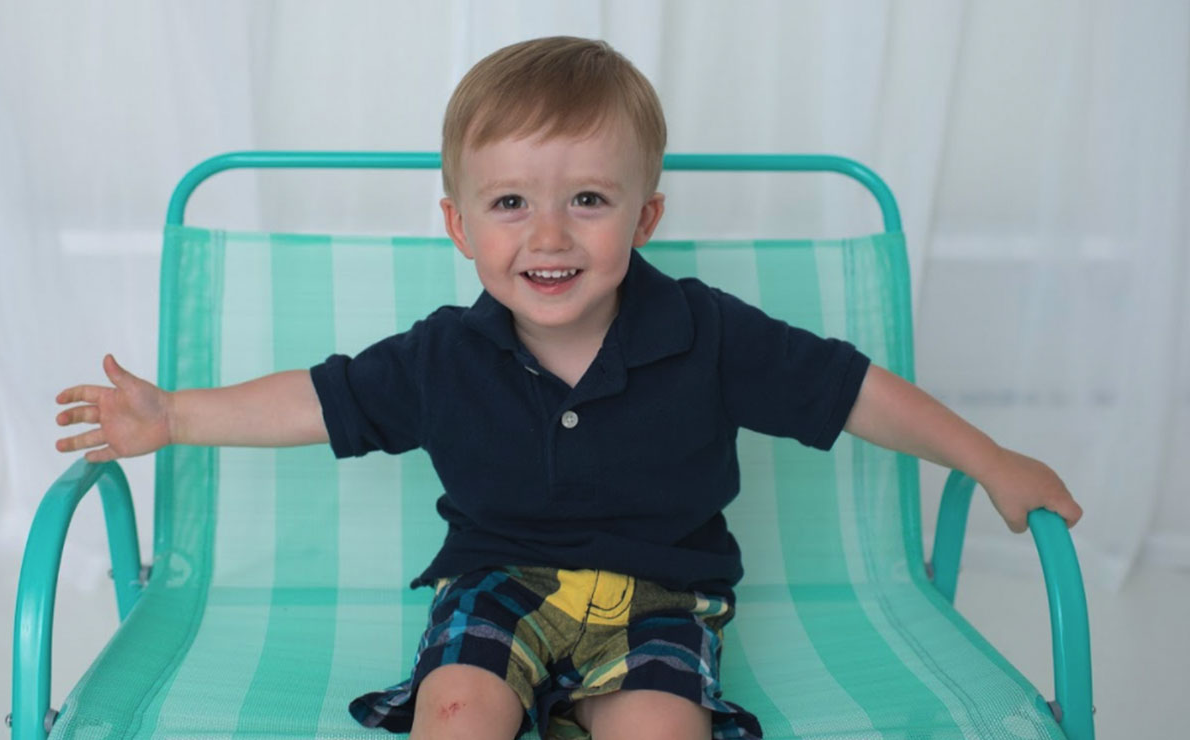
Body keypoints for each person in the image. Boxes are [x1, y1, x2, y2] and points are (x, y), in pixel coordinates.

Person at [55, 36, 1083, 740]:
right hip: (500, 582)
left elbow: (853, 390)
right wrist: (175, 414)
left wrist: (989, 458)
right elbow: (315, 402)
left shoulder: (707, 331)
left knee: (662, 724)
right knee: (453, 708)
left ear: (644, 216)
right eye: (510, 202)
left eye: (587, 199)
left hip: (664, 596)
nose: (548, 235)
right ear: (459, 226)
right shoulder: (445, 354)